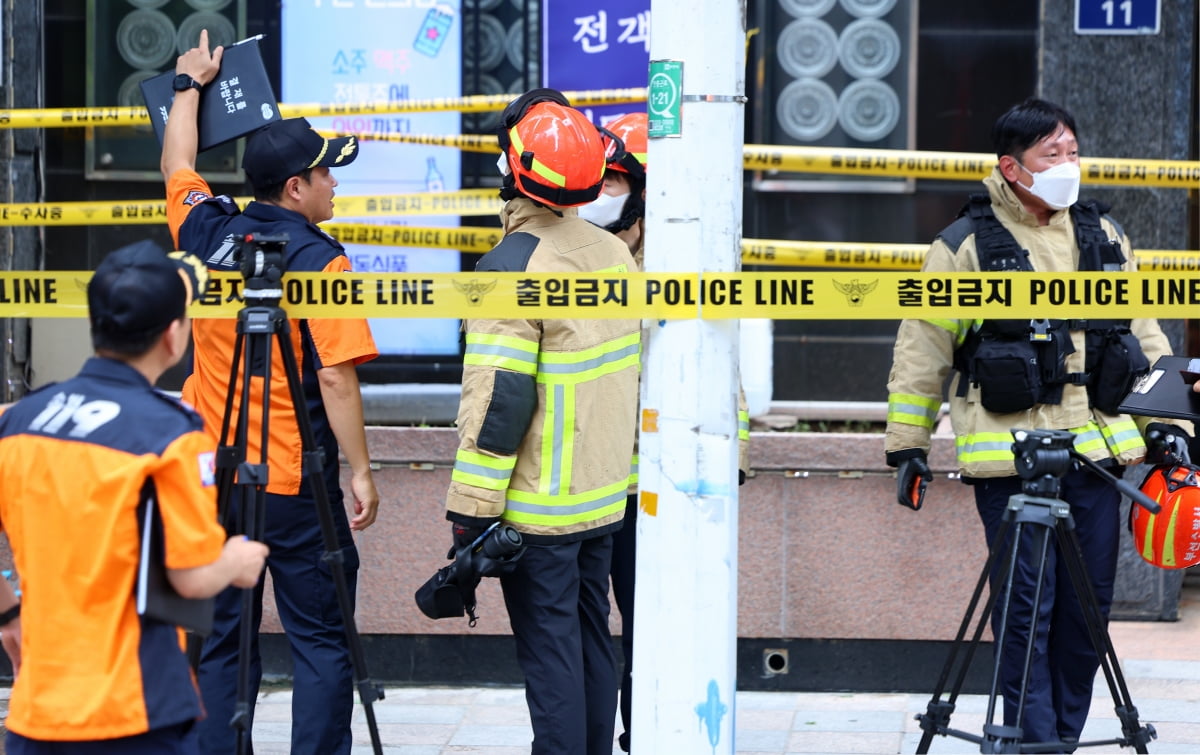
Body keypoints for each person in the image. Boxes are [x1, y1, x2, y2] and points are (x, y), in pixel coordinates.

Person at [884, 97, 1192, 747]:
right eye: (1053, 155)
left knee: (1086, 619)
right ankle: (1033, 743)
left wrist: (1169, 424)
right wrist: (907, 444)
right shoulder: (965, 245)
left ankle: (1062, 739)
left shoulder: (1103, 235)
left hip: (1099, 460)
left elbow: (1145, 334)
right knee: (1028, 614)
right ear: (1012, 167)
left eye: (1074, 152)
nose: (1069, 166)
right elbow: (922, 347)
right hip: (1012, 465)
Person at [160, 31, 380, 755]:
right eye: (326, 174)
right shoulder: (323, 259)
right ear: (295, 188)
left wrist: (188, 84)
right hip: (296, 482)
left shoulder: (206, 227)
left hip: (215, 476)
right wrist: (361, 469)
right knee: (321, 641)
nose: (334, 185)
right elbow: (335, 375)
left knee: (223, 638)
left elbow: (178, 161)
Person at [0, 242, 268, 754]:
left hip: (36, 711)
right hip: (136, 710)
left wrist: (8, 617)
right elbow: (189, 577)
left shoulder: (21, 420)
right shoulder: (172, 435)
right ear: (174, 336)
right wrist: (235, 561)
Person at [444, 88, 640, 755]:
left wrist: (471, 508)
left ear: (515, 169)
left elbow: (499, 400)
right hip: (602, 498)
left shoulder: (512, 264)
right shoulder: (614, 253)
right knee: (591, 640)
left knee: (550, 657)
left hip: (539, 505)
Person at [580, 111, 751, 753]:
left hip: (662, 477)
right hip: (585, 480)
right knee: (586, 628)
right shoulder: (575, 256)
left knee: (657, 624)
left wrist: (726, 454)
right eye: (597, 181)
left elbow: (718, 360)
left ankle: (645, 733)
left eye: (614, 182)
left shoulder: (684, 258)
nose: (601, 195)